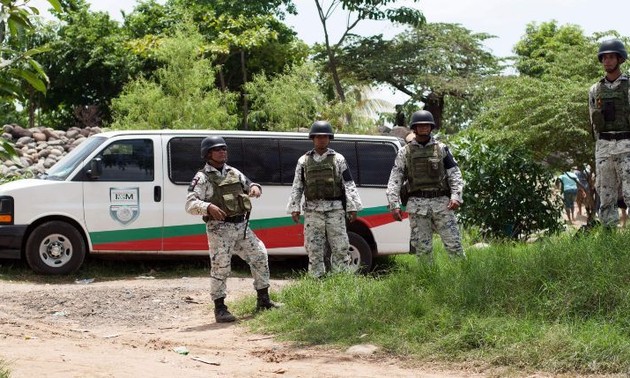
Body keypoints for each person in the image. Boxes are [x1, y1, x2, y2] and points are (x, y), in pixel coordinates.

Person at [185, 136, 278, 323]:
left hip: (241, 227)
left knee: (260, 255)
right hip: (219, 229)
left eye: (224, 149)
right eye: (217, 149)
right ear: (208, 154)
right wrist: (208, 207)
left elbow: (250, 184)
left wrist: (255, 188)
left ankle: (263, 300)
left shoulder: (233, 172)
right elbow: (190, 204)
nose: (222, 152)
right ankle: (220, 308)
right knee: (221, 267)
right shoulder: (202, 177)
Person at [385, 110, 465, 262]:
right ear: (414, 128)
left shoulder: (441, 148)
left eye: (426, 125)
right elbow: (395, 178)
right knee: (422, 249)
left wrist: (456, 196)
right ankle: (428, 280)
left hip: (442, 203)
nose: (423, 128)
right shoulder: (404, 152)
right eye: (420, 125)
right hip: (417, 204)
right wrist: (394, 204)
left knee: (454, 245)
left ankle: (462, 279)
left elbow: (454, 173)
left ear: (431, 127)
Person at [287, 121, 363, 278]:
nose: (321, 139)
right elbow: (298, 185)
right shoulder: (303, 161)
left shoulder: (338, 159)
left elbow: (348, 183)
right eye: (318, 137)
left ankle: (341, 279)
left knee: (340, 246)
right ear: (313, 138)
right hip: (313, 211)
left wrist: (352, 206)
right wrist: (295, 207)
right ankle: (316, 279)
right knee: (314, 248)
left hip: (335, 209)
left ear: (329, 139)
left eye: (325, 137)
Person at [588, 38, 630, 229]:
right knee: (605, 195)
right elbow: (593, 122)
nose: (607, 61)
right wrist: (599, 148)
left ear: (620, 59)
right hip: (604, 147)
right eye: (604, 57)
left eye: (611, 57)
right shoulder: (595, 90)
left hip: (626, 145)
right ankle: (608, 238)